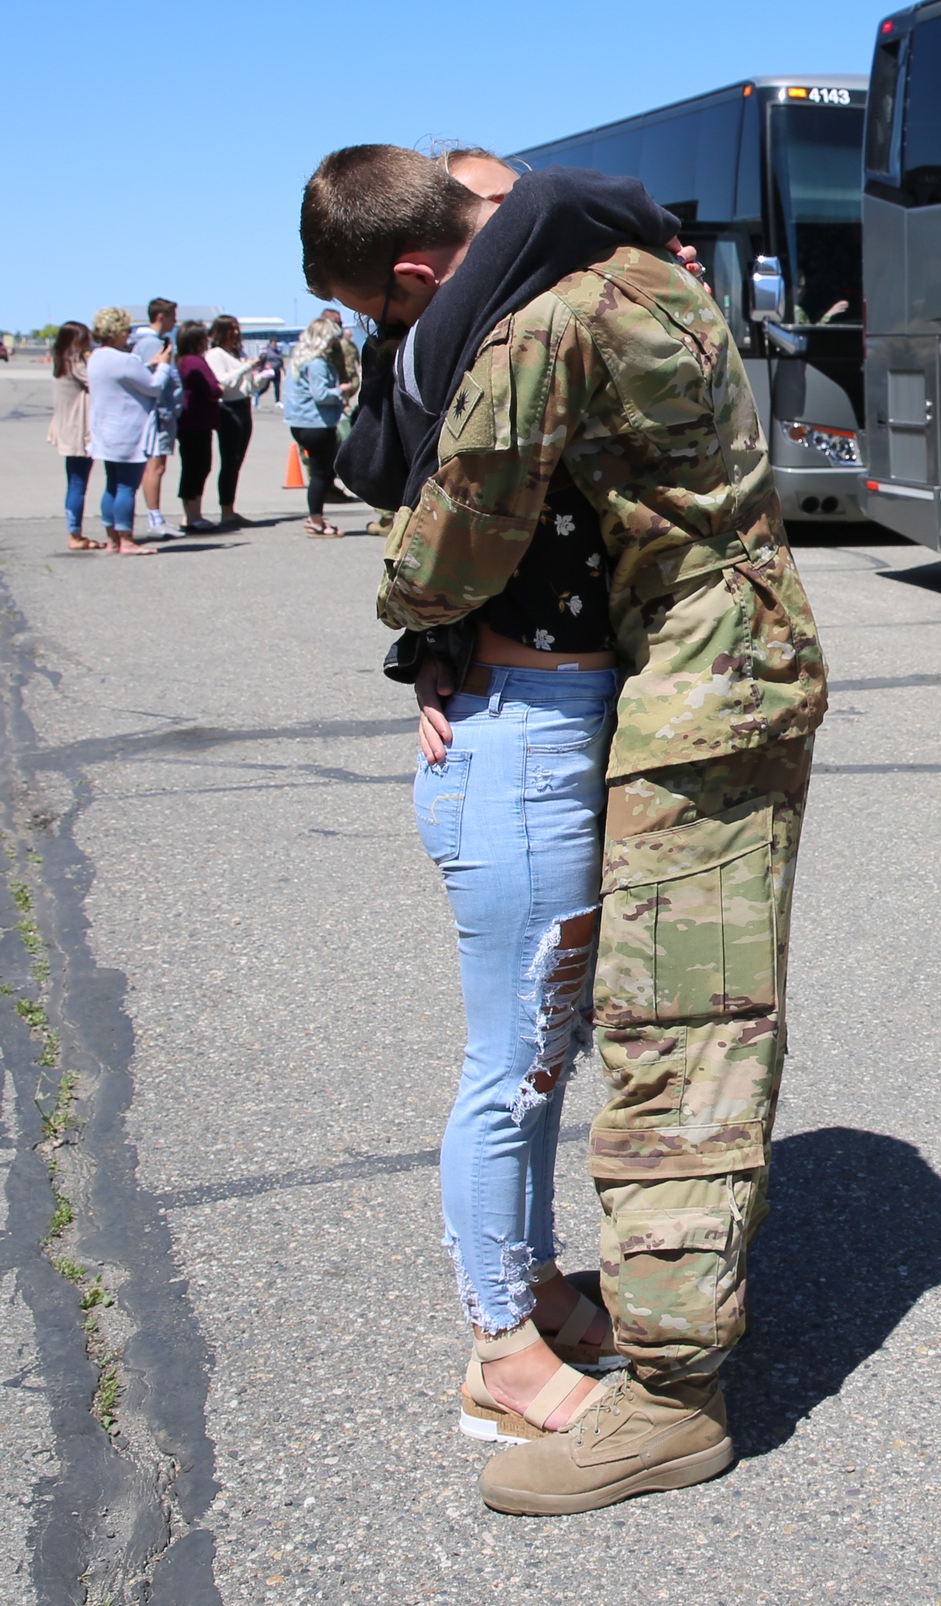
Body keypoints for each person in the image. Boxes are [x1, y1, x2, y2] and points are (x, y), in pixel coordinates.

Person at [301, 145, 828, 1515]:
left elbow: (444, 553)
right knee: (668, 1022)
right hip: (743, 657)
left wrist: (413, 624)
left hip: (693, 697)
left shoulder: (539, 327)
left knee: (676, 1036)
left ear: (425, 270)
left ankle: (670, 1397)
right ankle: (618, 1310)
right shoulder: (653, 267)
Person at [87, 307, 173, 555]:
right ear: (116, 332)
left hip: (105, 431)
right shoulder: (124, 360)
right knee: (126, 487)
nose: (129, 335)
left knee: (112, 485)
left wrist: (148, 363)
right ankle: (126, 539)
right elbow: (154, 387)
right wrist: (163, 366)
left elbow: (126, 377)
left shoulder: (97, 357)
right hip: (128, 433)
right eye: (126, 330)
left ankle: (112, 539)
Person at [282, 318, 346, 536]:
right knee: (321, 473)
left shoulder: (298, 360)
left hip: (299, 422)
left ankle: (315, 516)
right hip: (317, 424)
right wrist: (341, 390)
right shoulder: (317, 363)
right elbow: (321, 395)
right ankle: (315, 519)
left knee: (322, 471)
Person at [205, 315, 269, 528]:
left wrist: (263, 376)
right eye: (230, 329)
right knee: (229, 461)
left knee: (238, 460)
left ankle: (230, 508)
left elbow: (246, 385)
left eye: (236, 329)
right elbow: (224, 381)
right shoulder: (215, 355)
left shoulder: (239, 353)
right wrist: (246, 367)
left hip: (243, 406)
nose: (235, 333)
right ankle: (226, 510)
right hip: (228, 409)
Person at [130, 297, 186, 539]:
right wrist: (166, 410)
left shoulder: (155, 342)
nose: (175, 321)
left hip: (164, 414)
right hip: (158, 416)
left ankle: (156, 516)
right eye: (173, 316)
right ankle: (154, 518)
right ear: (161, 317)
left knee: (157, 466)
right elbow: (153, 382)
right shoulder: (150, 344)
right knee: (155, 467)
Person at [47, 320, 100, 550]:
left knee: (74, 482)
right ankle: (75, 534)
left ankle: (74, 531)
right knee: (78, 483)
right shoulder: (75, 361)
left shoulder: (61, 361)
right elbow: (96, 380)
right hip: (78, 428)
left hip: (65, 425)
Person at [175, 321, 224, 530]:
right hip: (197, 422)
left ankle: (191, 513)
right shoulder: (196, 362)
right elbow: (213, 390)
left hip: (188, 422)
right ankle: (193, 515)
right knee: (198, 467)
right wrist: (219, 388)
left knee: (191, 467)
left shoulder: (181, 361)